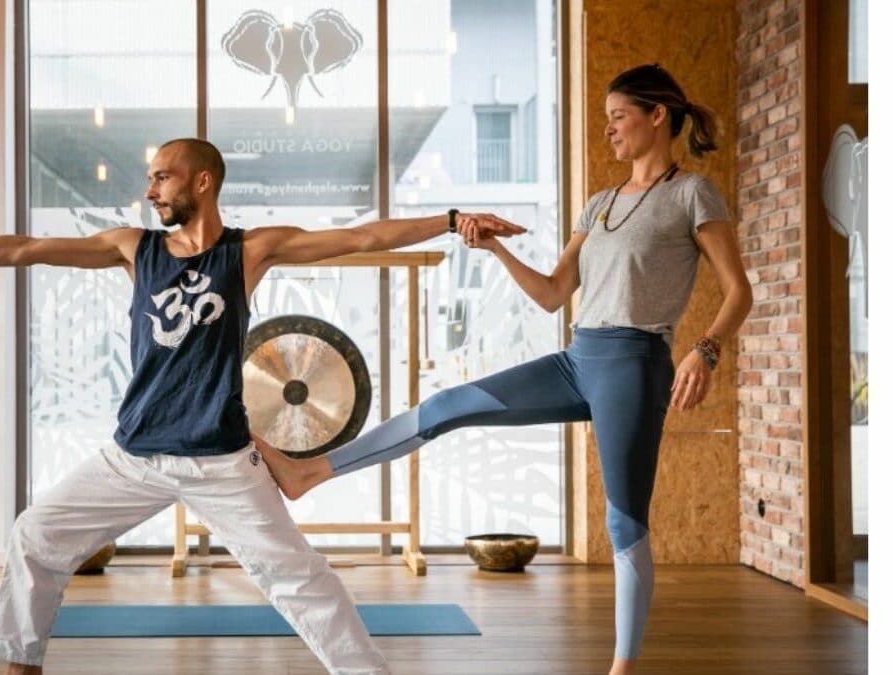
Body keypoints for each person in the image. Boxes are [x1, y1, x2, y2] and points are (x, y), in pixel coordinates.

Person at [0, 137, 524, 675]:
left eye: (162, 177)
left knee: (298, 577)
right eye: (150, 179)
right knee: (35, 535)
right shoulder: (133, 248)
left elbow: (364, 237)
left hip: (221, 461)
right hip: (133, 454)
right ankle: (21, 667)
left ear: (202, 182)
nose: (151, 190)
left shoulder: (249, 250)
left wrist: (446, 219)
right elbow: (24, 249)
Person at [256, 64, 754, 675]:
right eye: (605, 119)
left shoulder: (692, 194)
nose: (608, 131)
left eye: (618, 117)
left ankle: (623, 668)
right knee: (448, 406)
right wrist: (491, 246)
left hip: (635, 363)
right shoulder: (599, 205)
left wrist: (704, 349)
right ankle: (311, 472)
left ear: (658, 116)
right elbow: (550, 293)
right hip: (578, 358)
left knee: (623, 519)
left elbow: (738, 292)